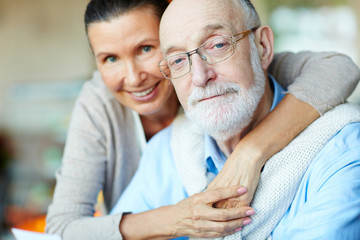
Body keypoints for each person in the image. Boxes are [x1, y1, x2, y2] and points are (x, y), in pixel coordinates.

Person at [45, 0, 360, 239]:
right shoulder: (165, 147)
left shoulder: (340, 150)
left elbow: (339, 68)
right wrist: (181, 218)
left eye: (218, 45)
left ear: (262, 48)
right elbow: (62, 228)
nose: (133, 77)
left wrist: (251, 151)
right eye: (179, 59)